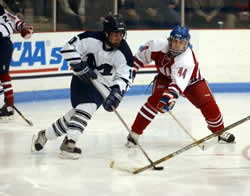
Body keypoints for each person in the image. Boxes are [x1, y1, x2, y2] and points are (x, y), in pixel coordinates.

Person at [32, 15, 134, 159]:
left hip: (102, 87)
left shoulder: (125, 53)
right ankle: (69, 143)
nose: (118, 38)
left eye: (121, 34)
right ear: (106, 33)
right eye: (115, 34)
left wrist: (117, 92)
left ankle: (45, 134)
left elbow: (125, 76)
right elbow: (68, 48)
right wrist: (79, 65)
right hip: (82, 80)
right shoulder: (90, 38)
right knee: (87, 108)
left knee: (76, 115)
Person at [126, 25, 235, 148]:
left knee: (208, 105)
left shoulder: (187, 59)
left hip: (192, 82)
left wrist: (168, 99)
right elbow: (139, 58)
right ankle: (134, 134)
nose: (177, 45)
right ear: (169, 40)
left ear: (187, 43)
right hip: (165, 78)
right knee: (154, 102)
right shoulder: (156, 45)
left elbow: (177, 86)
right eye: (175, 41)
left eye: (181, 42)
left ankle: (219, 132)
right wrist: (131, 72)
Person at [0, 3, 33, 120]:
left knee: (3, 75)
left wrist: (23, 27)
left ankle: (9, 106)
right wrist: (22, 27)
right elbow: (15, 21)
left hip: (3, 45)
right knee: (3, 76)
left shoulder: (2, 11)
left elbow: (15, 21)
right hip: (4, 44)